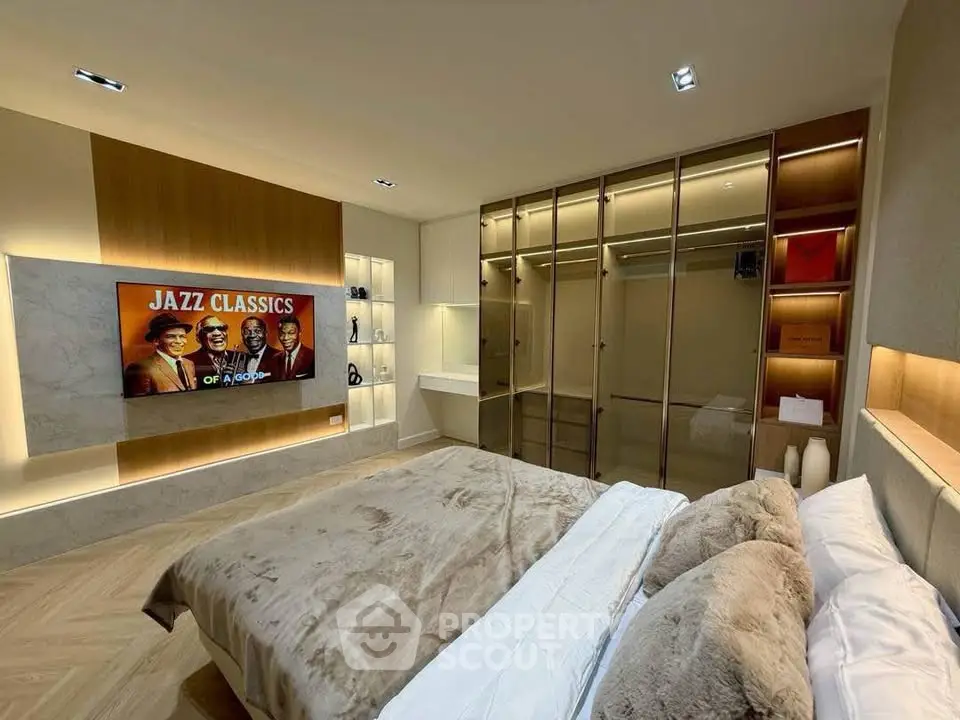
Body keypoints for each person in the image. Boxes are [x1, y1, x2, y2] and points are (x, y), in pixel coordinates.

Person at [123, 313, 198, 396]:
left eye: (182, 336)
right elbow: (139, 402)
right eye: (171, 336)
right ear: (156, 341)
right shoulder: (141, 368)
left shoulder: (189, 364)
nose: (179, 341)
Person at [184, 315, 248, 388]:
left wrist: (243, 378)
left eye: (222, 328)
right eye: (209, 329)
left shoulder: (241, 357)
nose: (217, 333)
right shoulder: (187, 362)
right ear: (198, 337)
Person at [269, 314, 315, 381]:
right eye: (282, 333)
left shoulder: (312, 356)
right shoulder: (275, 359)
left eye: (291, 333)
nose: (286, 338)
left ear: (299, 332)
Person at [240, 316, 282, 383]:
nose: (252, 335)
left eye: (258, 331)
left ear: (266, 333)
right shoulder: (238, 359)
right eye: (247, 331)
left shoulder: (280, 358)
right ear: (242, 335)